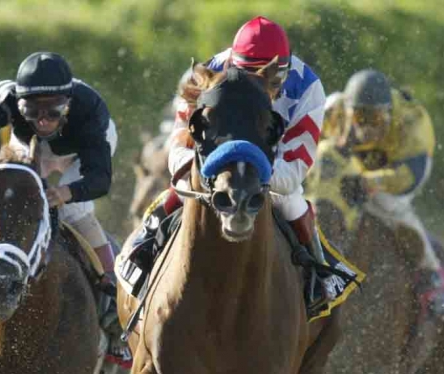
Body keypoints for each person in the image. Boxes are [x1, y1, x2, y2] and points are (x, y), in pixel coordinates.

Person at [0, 51, 128, 365]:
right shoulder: (5, 96)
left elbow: (99, 179)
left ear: (69, 102)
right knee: (2, 203)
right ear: (17, 101)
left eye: (54, 110)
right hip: (24, 144)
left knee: (75, 212)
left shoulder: (90, 112)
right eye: (32, 110)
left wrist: (64, 192)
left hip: (77, 153)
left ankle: (112, 296)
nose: (44, 119)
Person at [123, 16, 331, 313]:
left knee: (292, 201)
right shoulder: (204, 75)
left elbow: (295, 166)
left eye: (267, 78)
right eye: (246, 74)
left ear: (280, 71)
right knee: (179, 189)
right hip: (212, 169)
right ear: (232, 64)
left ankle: (319, 279)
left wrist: (253, 175)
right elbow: (179, 145)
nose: (255, 85)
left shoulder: (308, 88)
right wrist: (200, 173)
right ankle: (140, 254)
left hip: (272, 168)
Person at [322, 69, 444, 314]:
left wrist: (371, 182)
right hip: (358, 163)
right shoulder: (334, 112)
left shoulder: (412, 123)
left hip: (403, 166)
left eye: (376, 119)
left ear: (389, 113)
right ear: (348, 110)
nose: (368, 128)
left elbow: (408, 178)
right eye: (360, 118)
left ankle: (433, 273)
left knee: (386, 204)